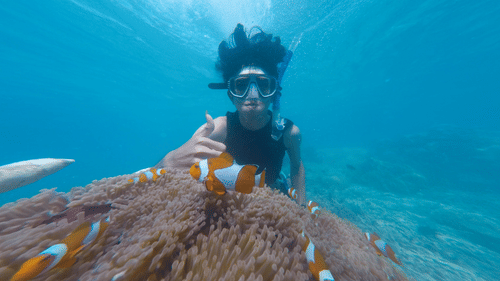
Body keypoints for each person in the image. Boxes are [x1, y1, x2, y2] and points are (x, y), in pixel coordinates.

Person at [155, 24, 306, 206]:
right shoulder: (219, 128)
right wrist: (168, 161)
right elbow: (185, 164)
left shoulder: (289, 133)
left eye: (263, 85)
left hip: (274, 190)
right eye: (241, 86)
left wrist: (302, 206)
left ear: (274, 93)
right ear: (231, 95)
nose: (253, 94)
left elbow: (297, 167)